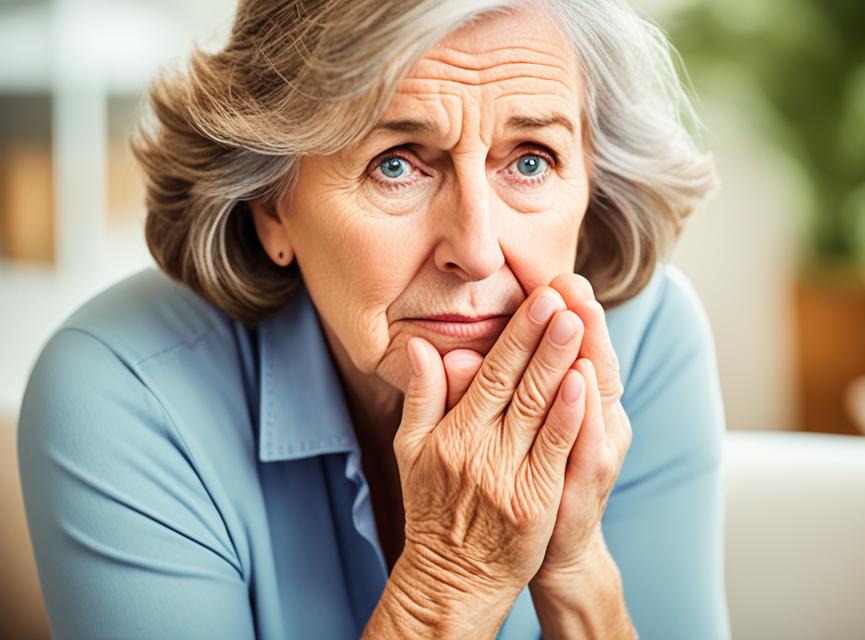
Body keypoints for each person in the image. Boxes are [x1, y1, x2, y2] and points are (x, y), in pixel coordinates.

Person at [17, 0, 729, 637]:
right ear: (272, 204)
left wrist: (574, 568)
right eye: (397, 164)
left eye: (531, 160)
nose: (477, 252)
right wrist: (453, 581)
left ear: (590, 180)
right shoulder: (124, 391)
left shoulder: (644, 342)